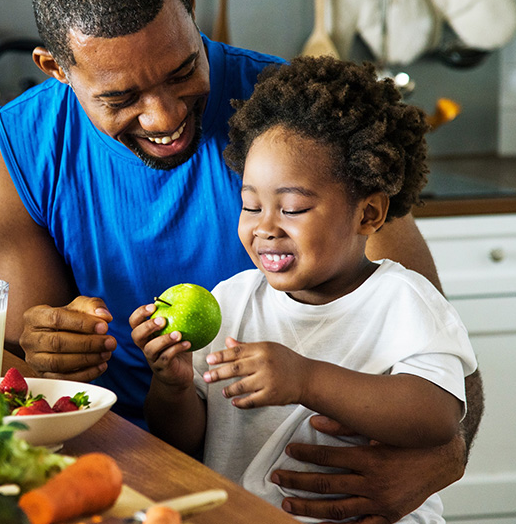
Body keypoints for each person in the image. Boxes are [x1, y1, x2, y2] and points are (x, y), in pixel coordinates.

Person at [0, 0, 484, 521]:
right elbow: (27, 372)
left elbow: (445, 368)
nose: (165, 115)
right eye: (121, 97)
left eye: (183, 69)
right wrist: (55, 346)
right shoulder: (9, 153)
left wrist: (442, 460)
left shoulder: (302, 122)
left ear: (191, 4)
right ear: (55, 69)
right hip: (116, 476)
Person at [129, 56, 478, 522]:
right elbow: (186, 442)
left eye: (292, 208)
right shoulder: (232, 301)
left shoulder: (402, 300)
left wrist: (305, 379)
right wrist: (170, 387)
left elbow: (436, 417)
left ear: (368, 215)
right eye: (251, 205)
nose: (265, 228)